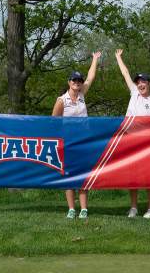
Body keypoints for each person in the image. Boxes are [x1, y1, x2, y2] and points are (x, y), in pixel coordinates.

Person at [52, 51, 102, 220]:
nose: (78, 83)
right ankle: (71, 208)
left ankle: (84, 209)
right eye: (74, 80)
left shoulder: (82, 95)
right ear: (69, 82)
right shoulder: (61, 100)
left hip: (84, 142)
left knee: (83, 176)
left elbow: (91, 77)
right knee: (69, 176)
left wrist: (94, 59)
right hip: (68, 144)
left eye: (79, 81)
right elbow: (54, 122)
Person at [115, 49, 150, 219]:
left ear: (149, 84)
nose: (140, 84)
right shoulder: (134, 93)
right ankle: (133, 207)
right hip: (129, 141)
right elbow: (125, 73)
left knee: (149, 177)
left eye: (143, 82)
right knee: (132, 176)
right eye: (138, 82)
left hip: (147, 144)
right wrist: (118, 58)